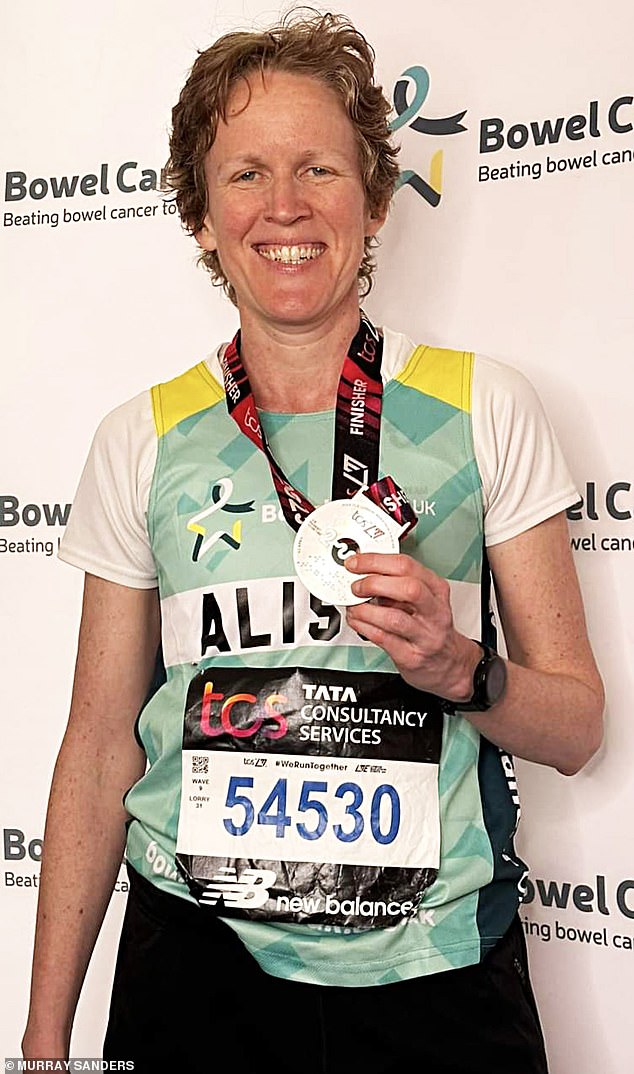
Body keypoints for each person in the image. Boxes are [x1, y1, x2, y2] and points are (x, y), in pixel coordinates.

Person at [23, 10, 604, 1073]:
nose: (283, 207)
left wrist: (460, 667)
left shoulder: (482, 407)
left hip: (435, 974)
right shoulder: (142, 437)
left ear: (374, 199)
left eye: (318, 170)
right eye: (244, 174)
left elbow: (574, 729)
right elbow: (101, 745)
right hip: (197, 968)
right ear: (200, 214)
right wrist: (45, 1036)